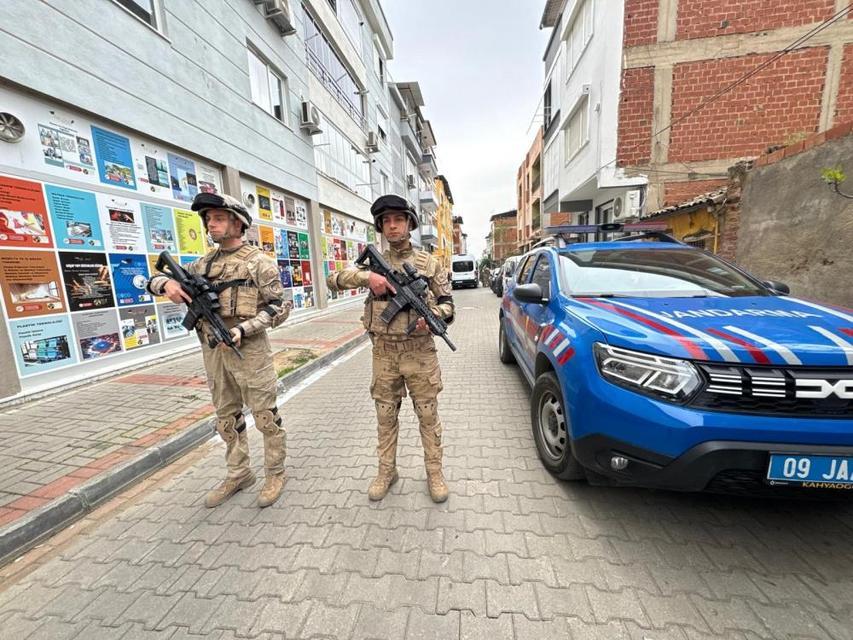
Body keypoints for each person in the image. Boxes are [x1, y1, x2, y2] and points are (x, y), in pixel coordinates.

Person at [146, 193, 290, 508]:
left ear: (238, 223)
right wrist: (165, 285)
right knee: (226, 418)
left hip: (249, 351)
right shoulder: (202, 264)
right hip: (214, 352)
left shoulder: (258, 262)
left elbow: (281, 308)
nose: (211, 223)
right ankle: (239, 473)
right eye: (209, 218)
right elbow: (154, 278)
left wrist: (243, 329)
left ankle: (275, 473)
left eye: (219, 218)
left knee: (266, 416)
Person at [327, 195, 455, 502]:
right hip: (383, 353)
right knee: (385, 416)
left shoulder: (430, 263)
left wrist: (433, 318)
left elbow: (448, 305)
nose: (392, 226)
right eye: (386, 221)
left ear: (410, 223)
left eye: (398, 219)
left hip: (420, 354)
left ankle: (434, 473)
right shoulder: (372, 263)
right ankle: (387, 471)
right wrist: (367, 277)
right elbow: (333, 280)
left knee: (427, 416)